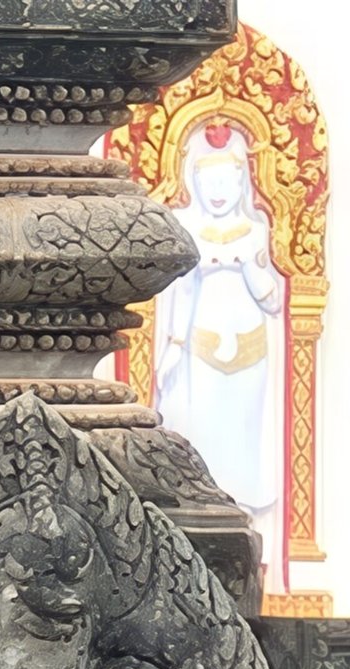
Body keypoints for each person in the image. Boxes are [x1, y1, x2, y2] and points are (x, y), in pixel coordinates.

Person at [155, 118, 288, 592]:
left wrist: (249, 269)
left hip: (251, 352)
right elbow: (177, 294)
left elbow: (273, 299)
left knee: (243, 442)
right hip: (199, 350)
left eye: (225, 182)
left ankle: (246, 538)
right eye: (207, 182)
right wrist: (171, 349)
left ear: (241, 182)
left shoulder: (256, 230)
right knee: (199, 436)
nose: (216, 192)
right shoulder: (186, 227)